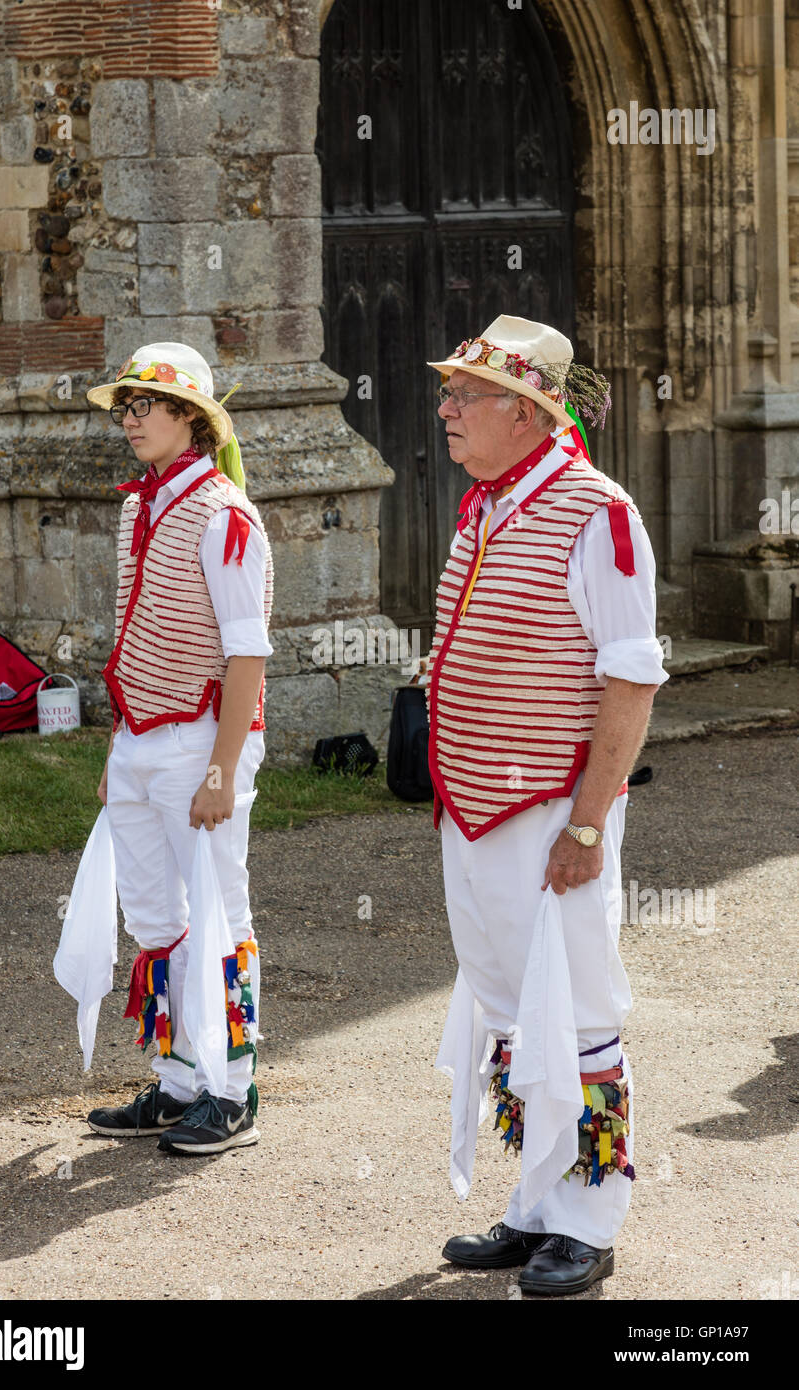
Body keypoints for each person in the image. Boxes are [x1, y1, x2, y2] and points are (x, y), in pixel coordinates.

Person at [424, 315, 668, 1294]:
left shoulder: (597, 514)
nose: (444, 408)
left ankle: (589, 1213)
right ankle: (534, 1206)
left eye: (463, 394)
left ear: (523, 412)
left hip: (547, 811)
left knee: (581, 1015)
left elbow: (631, 679)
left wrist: (583, 820)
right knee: (510, 1010)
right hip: (473, 806)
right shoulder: (486, 506)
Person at [82, 341, 273, 1156]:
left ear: (189, 419)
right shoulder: (139, 507)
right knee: (157, 916)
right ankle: (178, 1080)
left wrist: (223, 766)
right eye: (124, 407)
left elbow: (247, 652)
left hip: (202, 737)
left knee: (218, 913)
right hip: (142, 735)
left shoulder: (223, 511)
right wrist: (119, 747)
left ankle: (231, 1092)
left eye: (145, 406)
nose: (130, 420)